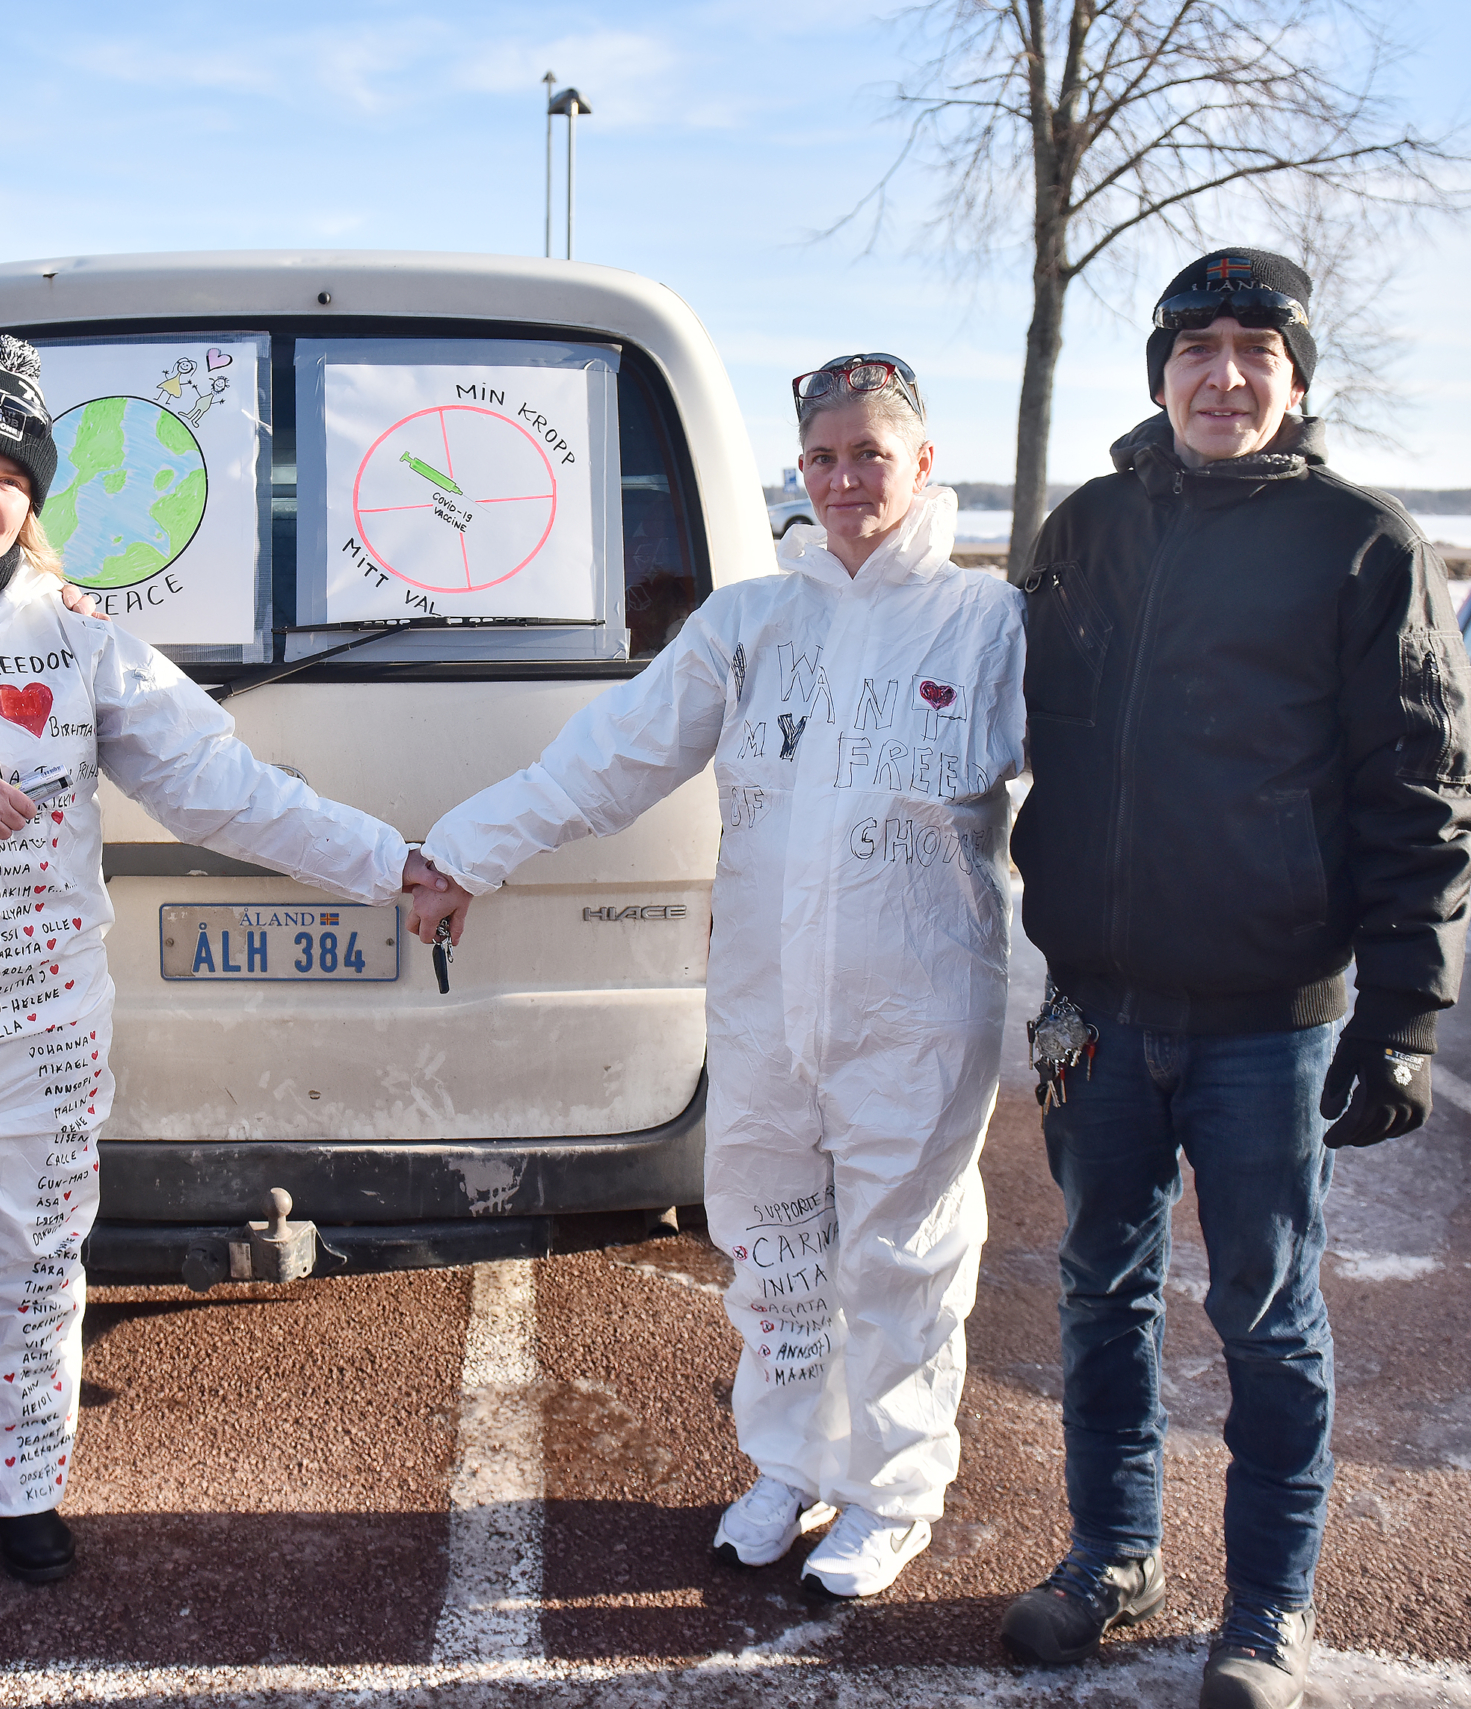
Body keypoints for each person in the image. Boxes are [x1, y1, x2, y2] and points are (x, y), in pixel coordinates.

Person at [0, 336, 459, 1659]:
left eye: (6, 474)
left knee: (27, 1278)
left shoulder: (79, 637)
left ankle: (16, 1491)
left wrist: (388, 865)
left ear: (33, 498)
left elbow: (225, 788)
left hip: (38, 1036)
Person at [415, 355, 1023, 1600]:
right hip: (763, 1006)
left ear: (920, 464)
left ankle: (891, 1491)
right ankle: (788, 1463)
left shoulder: (987, 625)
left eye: (870, 453)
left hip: (914, 1008)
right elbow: (610, 757)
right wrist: (463, 852)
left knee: (901, 1257)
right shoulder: (751, 622)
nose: (846, 478)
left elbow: (1085, 805)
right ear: (798, 472)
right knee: (773, 1248)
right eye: (823, 457)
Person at [997, 249, 1471, 1709]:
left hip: (1269, 1024)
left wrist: (1405, 1014)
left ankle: (1267, 1607)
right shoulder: (1086, 532)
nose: (1224, 374)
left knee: (1268, 1313)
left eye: (1254, 349)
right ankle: (1113, 1553)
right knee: (1099, 1292)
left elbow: (1426, 784)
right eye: (1194, 347)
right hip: (1099, 1009)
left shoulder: (1360, 543)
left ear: (1294, 376)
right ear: (1158, 374)